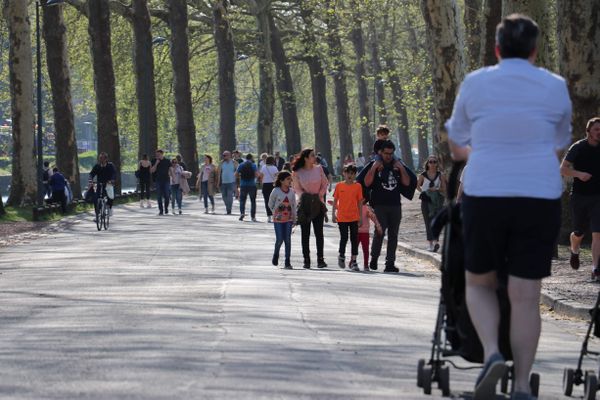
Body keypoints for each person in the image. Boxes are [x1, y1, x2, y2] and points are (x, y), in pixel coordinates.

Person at [446, 14, 572, 400]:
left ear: (497, 49)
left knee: (479, 282)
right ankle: (521, 386)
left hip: (487, 192)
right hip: (538, 194)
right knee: (525, 295)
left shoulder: (476, 82)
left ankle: (492, 353)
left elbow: (456, 148)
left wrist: (484, 151)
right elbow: (559, 144)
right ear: (535, 50)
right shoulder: (555, 86)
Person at [360, 140, 410, 272]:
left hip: (395, 205)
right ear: (380, 152)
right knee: (379, 232)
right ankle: (374, 258)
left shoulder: (396, 165)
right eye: (386, 153)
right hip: (379, 205)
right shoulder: (375, 164)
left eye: (391, 153)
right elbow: (366, 182)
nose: (388, 156)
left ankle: (390, 263)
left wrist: (401, 167)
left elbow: (406, 182)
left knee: (393, 234)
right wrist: (374, 167)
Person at [561, 117, 600, 280]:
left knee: (598, 233)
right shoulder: (578, 147)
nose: (599, 132)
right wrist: (579, 174)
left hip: (598, 196)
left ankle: (596, 269)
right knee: (579, 233)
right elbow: (563, 169)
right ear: (588, 132)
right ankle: (574, 250)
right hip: (580, 196)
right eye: (597, 129)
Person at [293, 148, 329, 269]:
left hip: (318, 203)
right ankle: (306, 260)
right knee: (305, 233)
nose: (315, 157)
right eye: (312, 155)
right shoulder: (298, 172)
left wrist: (319, 194)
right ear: (306, 158)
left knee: (319, 233)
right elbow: (296, 188)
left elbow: (325, 183)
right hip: (305, 204)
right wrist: (304, 196)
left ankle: (320, 259)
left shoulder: (319, 169)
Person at [332, 164, 363, 271]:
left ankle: (354, 261)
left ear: (355, 175)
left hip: (354, 216)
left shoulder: (358, 186)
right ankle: (341, 255)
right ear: (343, 174)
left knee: (354, 239)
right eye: (348, 173)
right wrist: (333, 214)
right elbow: (335, 200)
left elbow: (360, 202)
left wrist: (361, 217)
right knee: (344, 237)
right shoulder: (339, 186)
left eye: (352, 173)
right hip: (342, 217)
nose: (350, 175)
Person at [417, 155, 447, 252]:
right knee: (428, 222)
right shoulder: (423, 175)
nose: (433, 164)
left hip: (437, 201)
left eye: (434, 162)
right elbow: (417, 185)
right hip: (426, 201)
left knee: (436, 221)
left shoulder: (440, 175)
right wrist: (423, 192)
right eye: (431, 162)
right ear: (427, 163)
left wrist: (436, 189)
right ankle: (430, 244)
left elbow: (444, 188)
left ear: (437, 163)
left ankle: (436, 242)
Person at [268, 171, 297, 269]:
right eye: (288, 179)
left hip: (288, 219)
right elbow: (270, 203)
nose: (290, 181)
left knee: (288, 240)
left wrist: (294, 218)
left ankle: (287, 262)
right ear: (281, 180)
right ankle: (276, 255)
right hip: (278, 220)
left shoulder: (292, 192)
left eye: (291, 179)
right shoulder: (276, 191)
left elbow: (293, 205)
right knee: (279, 239)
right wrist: (274, 212)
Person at [357, 198, 382, 271]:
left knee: (366, 249)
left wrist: (378, 226)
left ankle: (365, 265)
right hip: (356, 232)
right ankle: (352, 261)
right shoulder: (354, 206)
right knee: (354, 248)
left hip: (365, 232)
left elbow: (373, 217)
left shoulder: (367, 208)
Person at [89, 152, 117, 217]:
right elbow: (92, 173)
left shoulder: (110, 165)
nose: (101, 160)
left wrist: (112, 180)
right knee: (96, 199)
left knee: (110, 196)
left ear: (106, 159)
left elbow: (114, 173)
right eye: (100, 158)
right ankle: (97, 214)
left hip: (108, 183)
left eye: (103, 158)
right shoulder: (97, 166)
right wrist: (90, 180)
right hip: (100, 184)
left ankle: (109, 208)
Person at [236, 153, 259, 221]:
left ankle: (242, 213)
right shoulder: (253, 165)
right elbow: (257, 174)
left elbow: (235, 174)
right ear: (251, 158)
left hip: (243, 185)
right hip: (252, 184)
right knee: (253, 201)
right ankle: (253, 216)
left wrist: (240, 177)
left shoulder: (241, 165)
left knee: (242, 200)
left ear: (246, 158)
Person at [216, 151, 238, 215]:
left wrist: (237, 181)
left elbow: (238, 171)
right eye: (223, 155)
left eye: (225, 155)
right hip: (223, 182)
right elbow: (218, 173)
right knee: (224, 196)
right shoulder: (221, 163)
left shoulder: (234, 163)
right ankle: (227, 206)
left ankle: (229, 209)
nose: (224, 157)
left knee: (229, 196)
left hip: (232, 182)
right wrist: (218, 182)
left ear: (229, 155)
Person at [151, 149, 172, 216]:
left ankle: (166, 208)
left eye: (158, 155)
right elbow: (152, 171)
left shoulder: (167, 161)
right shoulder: (154, 161)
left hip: (166, 180)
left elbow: (170, 170)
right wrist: (156, 163)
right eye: (156, 155)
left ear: (162, 154)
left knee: (167, 195)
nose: (157, 156)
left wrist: (173, 178)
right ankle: (161, 210)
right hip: (158, 180)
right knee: (159, 196)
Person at [259, 156, 279, 223]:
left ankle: (269, 216)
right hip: (272, 185)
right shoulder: (274, 168)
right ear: (273, 161)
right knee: (274, 200)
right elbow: (277, 176)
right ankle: (274, 214)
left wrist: (262, 183)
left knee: (267, 200)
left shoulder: (263, 167)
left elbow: (261, 176)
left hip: (265, 185)